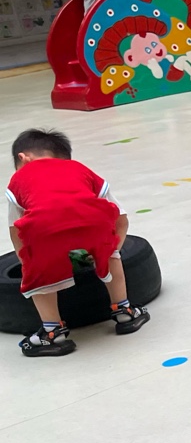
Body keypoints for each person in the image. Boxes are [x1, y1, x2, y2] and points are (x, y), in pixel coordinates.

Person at [6, 128, 150, 357]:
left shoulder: (18, 180)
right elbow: (120, 217)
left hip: (44, 230)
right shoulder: (79, 169)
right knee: (109, 252)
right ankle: (125, 312)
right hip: (92, 223)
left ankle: (52, 333)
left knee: (37, 270)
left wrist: (27, 260)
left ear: (23, 158)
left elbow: (16, 229)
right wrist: (112, 248)